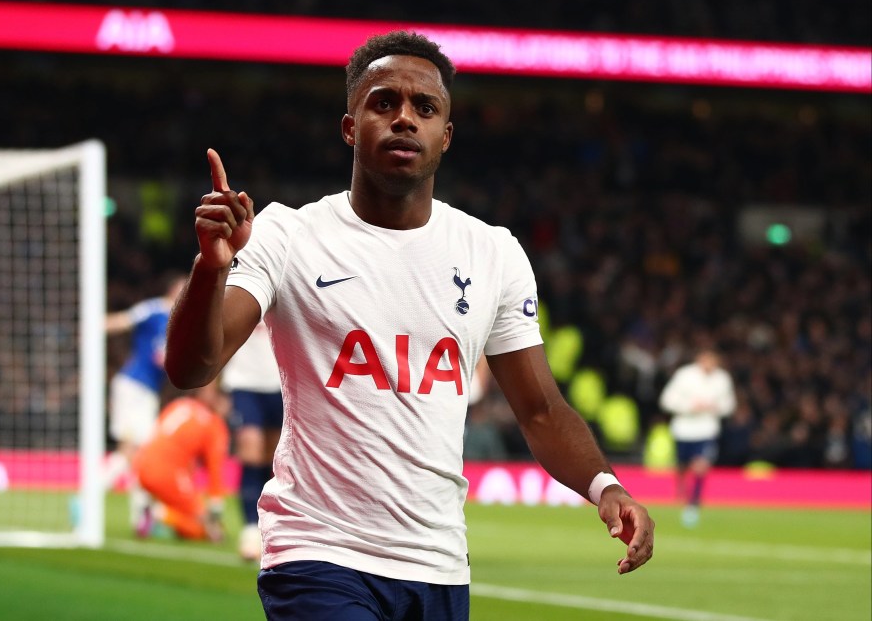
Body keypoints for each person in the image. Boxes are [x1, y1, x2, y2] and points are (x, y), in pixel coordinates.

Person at [166, 31, 654, 620]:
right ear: (350, 126)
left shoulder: (492, 253)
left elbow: (541, 410)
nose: (404, 119)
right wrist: (211, 269)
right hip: (319, 554)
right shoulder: (286, 234)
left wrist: (607, 488)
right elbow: (192, 366)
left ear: (445, 137)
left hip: (438, 566)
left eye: (424, 108)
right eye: (384, 103)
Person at [103, 273, 186, 532]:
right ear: (173, 290)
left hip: (146, 392)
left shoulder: (180, 323)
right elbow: (124, 320)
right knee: (133, 453)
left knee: (142, 456)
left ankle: (142, 516)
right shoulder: (155, 309)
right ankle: (87, 501)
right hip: (132, 386)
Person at [133, 378, 230, 542]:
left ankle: (153, 513)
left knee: (188, 513)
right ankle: (159, 514)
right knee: (202, 529)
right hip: (168, 475)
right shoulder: (214, 424)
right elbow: (214, 470)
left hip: (142, 466)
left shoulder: (179, 405)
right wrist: (215, 509)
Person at [221, 320, 283, 561]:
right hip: (244, 383)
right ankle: (249, 530)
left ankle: (270, 529)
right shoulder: (244, 287)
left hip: (280, 383)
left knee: (275, 458)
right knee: (250, 448)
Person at [659, 348, 736, 527]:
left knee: (701, 466)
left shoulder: (722, 379)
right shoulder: (684, 375)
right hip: (683, 430)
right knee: (683, 467)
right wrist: (690, 406)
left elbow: (729, 405)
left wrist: (714, 406)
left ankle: (693, 504)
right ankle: (682, 492)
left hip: (707, 430)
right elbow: (667, 400)